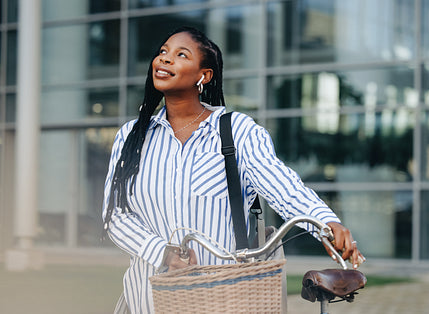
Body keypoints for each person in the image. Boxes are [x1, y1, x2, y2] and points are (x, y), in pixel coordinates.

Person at [102, 26, 365, 313]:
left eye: (181, 54)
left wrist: (326, 224)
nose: (165, 59)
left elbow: (283, 188)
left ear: (204, 76)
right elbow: (115, 215)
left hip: (222, 299)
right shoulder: (132, 136)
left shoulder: (236, 132)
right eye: (163, 52)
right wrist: (162, 252)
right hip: (148, 299)